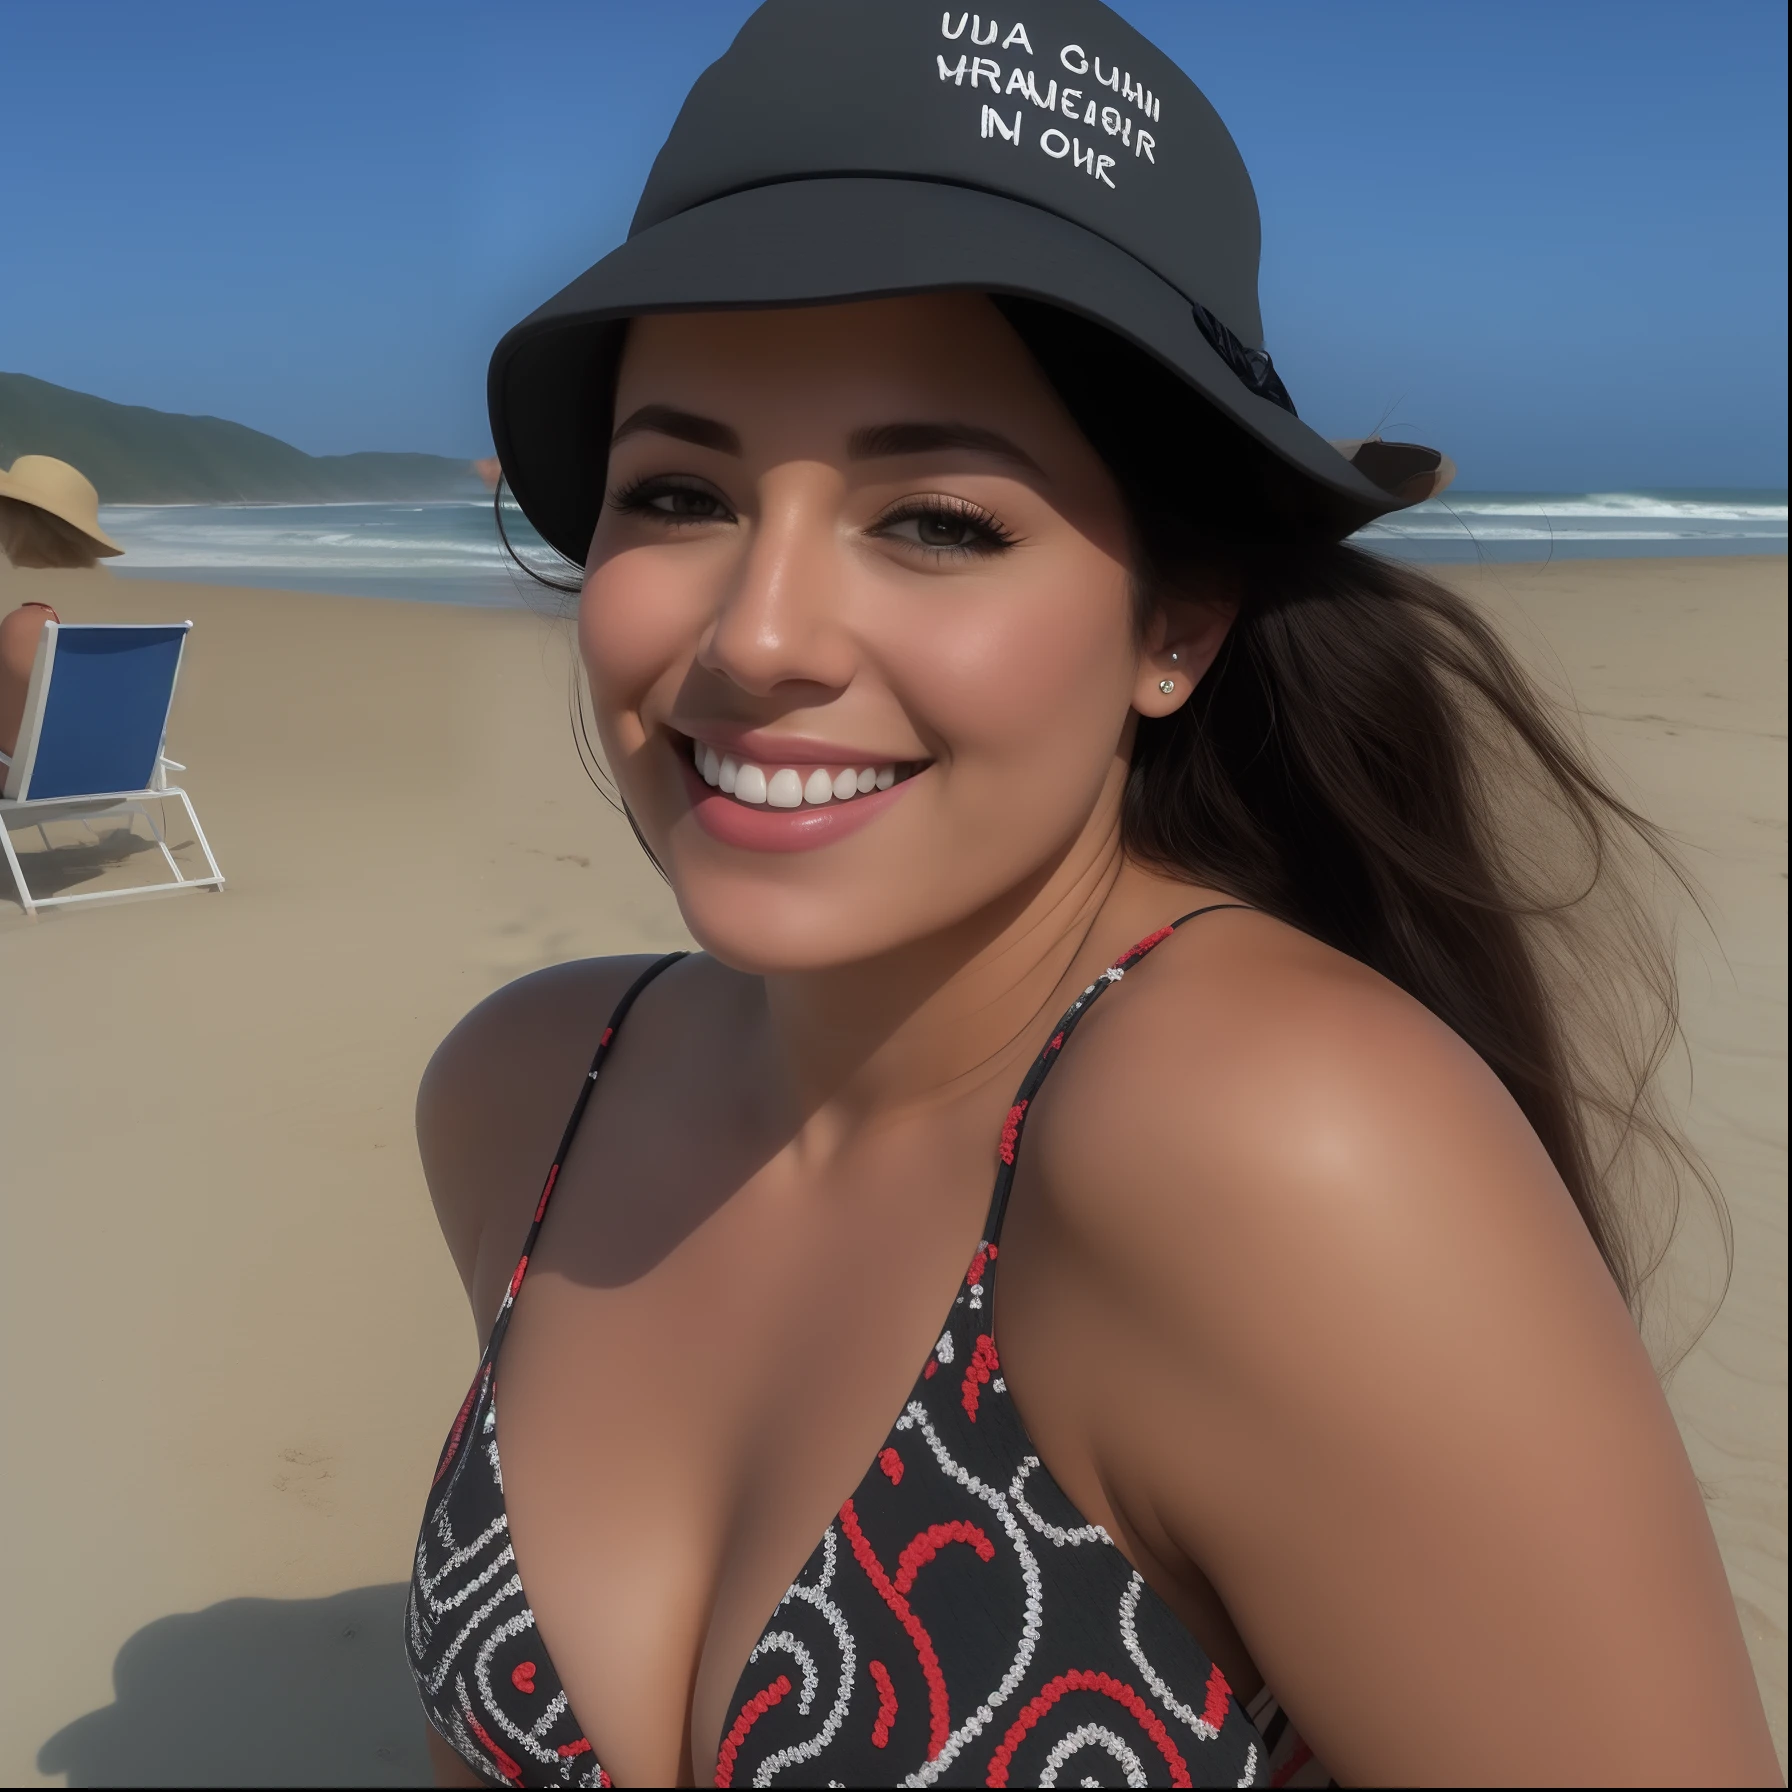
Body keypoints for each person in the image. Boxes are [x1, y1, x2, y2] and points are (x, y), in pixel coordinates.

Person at [406, 4, 1780, 1786]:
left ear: (1175, 624)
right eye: (679, 491)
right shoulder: (527, 1095)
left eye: (940, 520)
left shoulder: (1277, 1147)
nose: (755, 638)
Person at [0, 455, 122, 760]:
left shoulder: (27, 622)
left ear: (22, 521)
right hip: (118, 767)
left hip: (38, 780)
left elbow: (13, 743)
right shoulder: (114, 606)